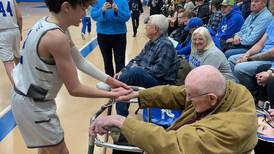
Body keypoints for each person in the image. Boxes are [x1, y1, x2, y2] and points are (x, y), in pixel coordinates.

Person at [11, 0, 132, 154]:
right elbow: (74, 88)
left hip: (28, 99)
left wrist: (110, 81)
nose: (85, 13)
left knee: (45, 149)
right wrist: (112, 94)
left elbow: (81, 62)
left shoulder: (51, 25)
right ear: (67, 7)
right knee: (60, 151)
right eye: (83, 8)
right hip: (34, 104)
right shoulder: (56, 37)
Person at [90, 65, 258, 154]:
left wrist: (120, 121)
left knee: (126, 139)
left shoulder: (230, 127)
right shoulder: (225, 91)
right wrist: (138, 95)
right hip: (186, 140)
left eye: (191, 97)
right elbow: (176, 93)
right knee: (125, 138)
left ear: (211, 98)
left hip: (181, 145)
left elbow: (174, 145)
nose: (187, 100)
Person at [114, 14, 180, 117]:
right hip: (150, 76)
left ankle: (120, 116)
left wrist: (137, 69)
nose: (145, 27)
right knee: (129, 74)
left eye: (148, 25)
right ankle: (119, 84)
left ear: (155, 29)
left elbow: (159, 71)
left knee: (135, 73)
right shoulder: (151, 42)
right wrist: (124, 70)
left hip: (162, 82)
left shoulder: (165, 45)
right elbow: (137, 59)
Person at [228, 19, 274, 93]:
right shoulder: (272, 21)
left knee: (239, 68)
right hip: (261, 54)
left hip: (270, 60)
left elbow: (271, 53)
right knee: (232, 59)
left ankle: (252, 92)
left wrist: (249, 59)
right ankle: (237, 89)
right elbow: (260, 44)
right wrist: (246, 55)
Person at [91, 0, 130, 77]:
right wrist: (102, 10)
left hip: (119, 34)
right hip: (103, 35)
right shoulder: (97, 1)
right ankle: (110, 82)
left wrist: (117, 11)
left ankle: (120, 82)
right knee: (107, 61)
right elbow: (93, 16)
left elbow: (127, 16)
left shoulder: (123, 1)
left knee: (120, 61)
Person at [0, 0, 22, 84]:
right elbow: (19, 17)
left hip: (2, 33)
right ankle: (24, 81)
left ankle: (18, 89)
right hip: (15, 30)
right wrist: (19, 32)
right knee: (17, 57)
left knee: (8, 62)